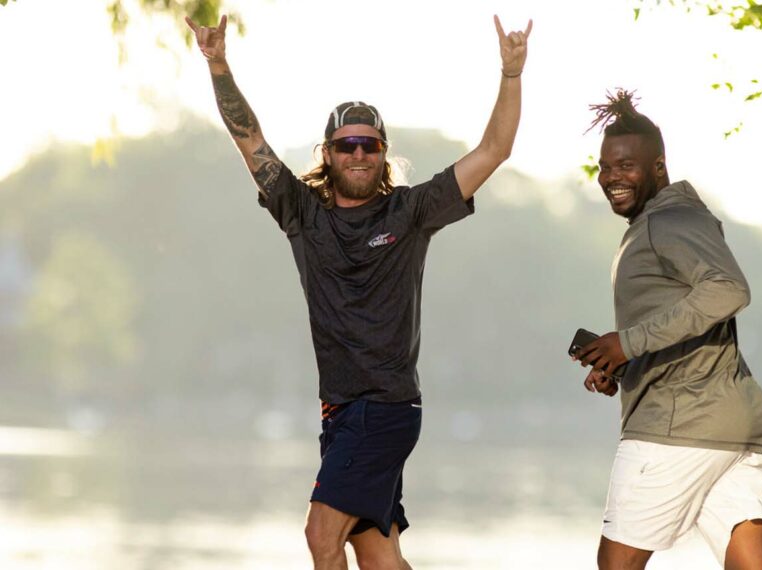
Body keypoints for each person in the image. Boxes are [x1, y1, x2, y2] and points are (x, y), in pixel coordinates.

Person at [185, 12, 531, 570]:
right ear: (328, 153)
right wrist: (219, 64)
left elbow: (494, 150)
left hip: (385, 407)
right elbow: (249, 139)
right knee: (377, 553)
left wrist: (510, 75)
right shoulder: (301, 213)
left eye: (370, 145)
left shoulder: (411, 211)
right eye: (346, 144)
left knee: (321, 536)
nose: (359, 154)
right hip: (340, 411)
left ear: (383, 152)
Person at [573, 90, 762, 570]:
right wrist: (621, 365)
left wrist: (627, 342)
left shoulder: (670, 219)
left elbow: (728, 290)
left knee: (616, 565)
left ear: (658, 166)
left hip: (678, 426)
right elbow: (686, 321)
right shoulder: (667, 220)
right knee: (754, 564)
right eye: (605, 167)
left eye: (626, 166)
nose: (611, 178)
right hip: (732, 425)